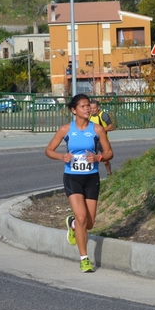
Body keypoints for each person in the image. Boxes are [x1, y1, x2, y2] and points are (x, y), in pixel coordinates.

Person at [45, 94, 113, 273]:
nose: (88, 109)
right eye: (83, 106)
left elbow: (109, 153)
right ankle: (84, 258)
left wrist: (98, 157)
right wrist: (62, 156)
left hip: (91, 178)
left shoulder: (97, 129)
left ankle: (73, 224)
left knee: (89, 224)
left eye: (88, 106)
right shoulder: (65, 129)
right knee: (82, 217)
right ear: (74, 110)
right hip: (72, 177)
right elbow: (49, 150)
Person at [89, 99, 115, 175]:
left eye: (94, 108)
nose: (92, 110)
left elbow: (111, 127)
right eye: (91, 108)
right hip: (92, 141)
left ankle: (109, 173)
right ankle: (92, 175)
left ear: (98, 107)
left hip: (102, 141)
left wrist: (100, 130)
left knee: (105, 160)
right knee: (91, 158)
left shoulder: (103, 115)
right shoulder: (89, 115)